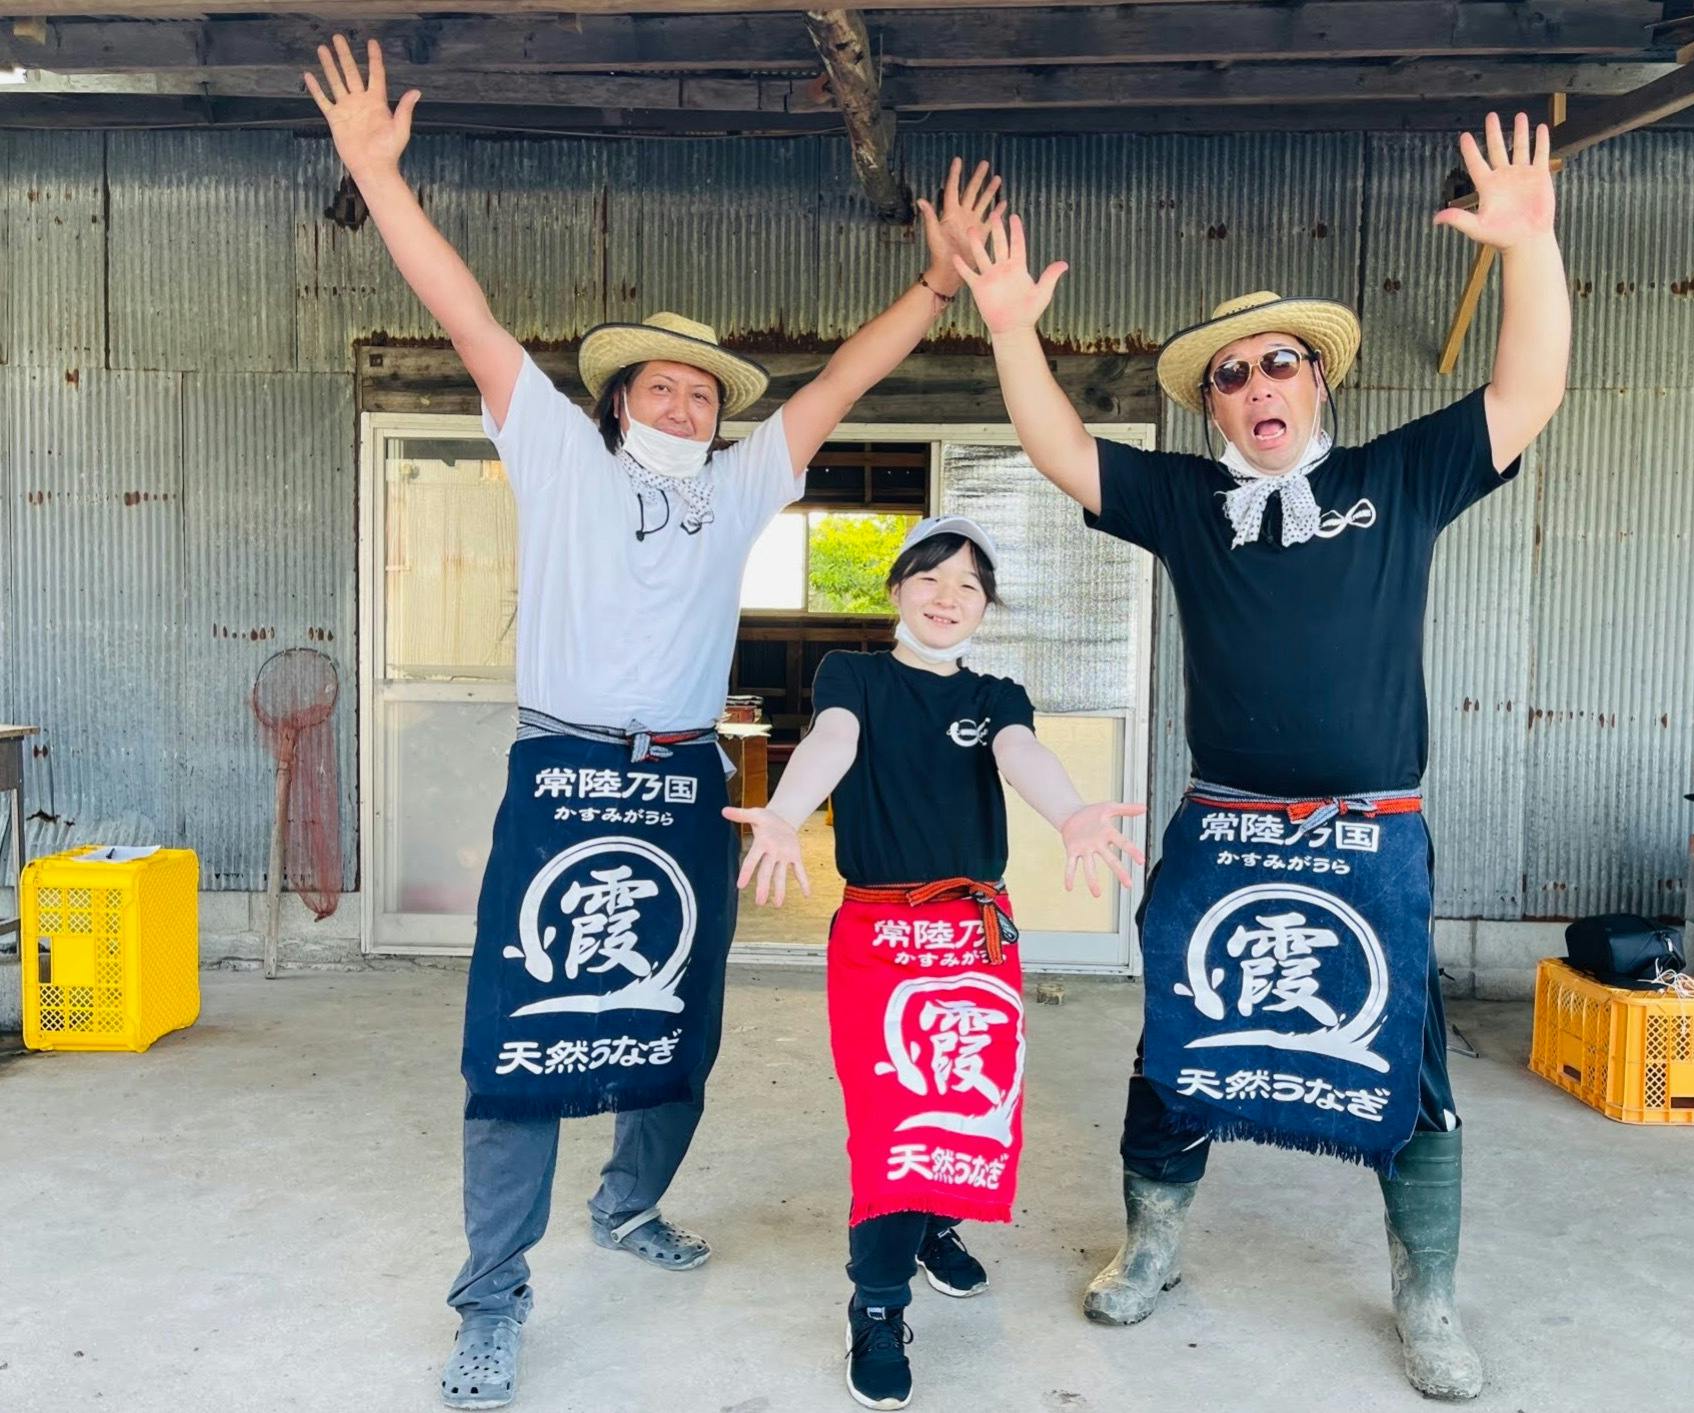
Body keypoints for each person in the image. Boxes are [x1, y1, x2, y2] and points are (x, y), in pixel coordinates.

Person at [304, 35, 1010, 1410]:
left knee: (677, 1020)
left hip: (686, 778)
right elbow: (467, 316)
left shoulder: (739, 491)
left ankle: (629, 1203)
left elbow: (838, 387)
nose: (685, 401)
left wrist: (935, 287)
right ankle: (492, 1297)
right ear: (617, 402)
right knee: (523, 1038)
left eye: (704, 391)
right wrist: (380, 180)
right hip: (564, 768)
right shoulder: (557, 455)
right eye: (661, 387)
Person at [953, 112, 1570, 1401]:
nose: (1257, 387)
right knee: (1178, 1041)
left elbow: (1527, 394)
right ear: (1213, 406)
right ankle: (1152, 1244)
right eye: (1230, 377)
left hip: (1371, 831)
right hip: (1224, 827)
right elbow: (1062, 451)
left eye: (1278, 363)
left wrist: (1528, 247)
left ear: (1318, 378)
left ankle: (1428, 1297)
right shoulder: (1190, 503)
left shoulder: (1402, 478)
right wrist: (1010, 330)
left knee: (1407, 1058)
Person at [727, 516, 1145, 1411]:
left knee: (966, 1105)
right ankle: (877, 1303)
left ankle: (933, 1225)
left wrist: (1071, 810)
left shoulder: (996, 695)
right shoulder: (855, 676)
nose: (948, 597)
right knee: (893, 1122)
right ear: (896, 590)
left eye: (968, 585)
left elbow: (1020, 753)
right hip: (880, 933)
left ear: (985, 607)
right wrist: (785, 810)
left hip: (974, 935)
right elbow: (834, 741)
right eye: (930, 577)